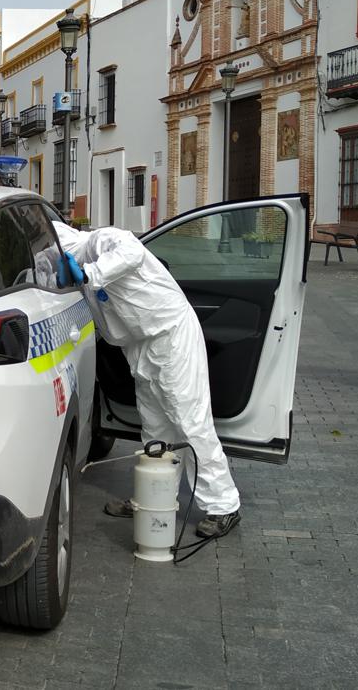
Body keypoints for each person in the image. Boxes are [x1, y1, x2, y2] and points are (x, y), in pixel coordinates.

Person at [55, 223, 241, 538]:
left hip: (171, 336)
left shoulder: (103, 241)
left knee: (190, 421)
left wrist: (90, 274)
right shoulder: (81, 278)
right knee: (155, 428)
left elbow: (132, 252)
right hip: (140, 346)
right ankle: (155, 497)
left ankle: (224, 505)